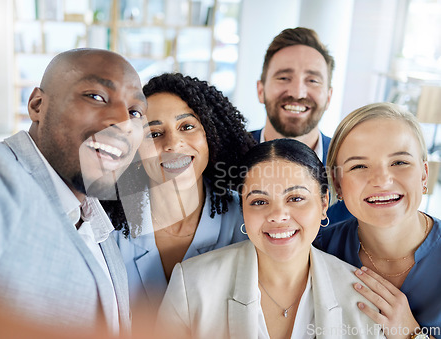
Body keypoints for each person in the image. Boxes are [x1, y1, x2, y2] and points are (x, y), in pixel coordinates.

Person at [0, 48, 148, 336]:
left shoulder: (99, 222)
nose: (123, 123)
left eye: (134, 112)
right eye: (96, 97)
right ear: (37, 105)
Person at [157, 138, 384, 339]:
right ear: (243, 207)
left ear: (324, 203)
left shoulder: (362, 297)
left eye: (295, 198)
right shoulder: (192, 284)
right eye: (259, 202)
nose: (277, 216)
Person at [104, 73, 256, 315]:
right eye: (154, 134)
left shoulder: (248, 221)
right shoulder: (107, 228)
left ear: (211, 135)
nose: (173, 144)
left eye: (187, 126)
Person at [316, 102, 441, 338]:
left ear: (424, 174)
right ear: (338, 183)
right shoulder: (317, 252)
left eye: (399, 162)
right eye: (359, 165)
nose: (382, 180)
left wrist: (411, 334)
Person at [250, 26, 351, 224]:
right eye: (284, 78)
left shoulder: (351, 168)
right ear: (261, 90)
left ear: (329, 97)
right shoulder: (222, 159)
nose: (298, 92)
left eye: (312, 80)